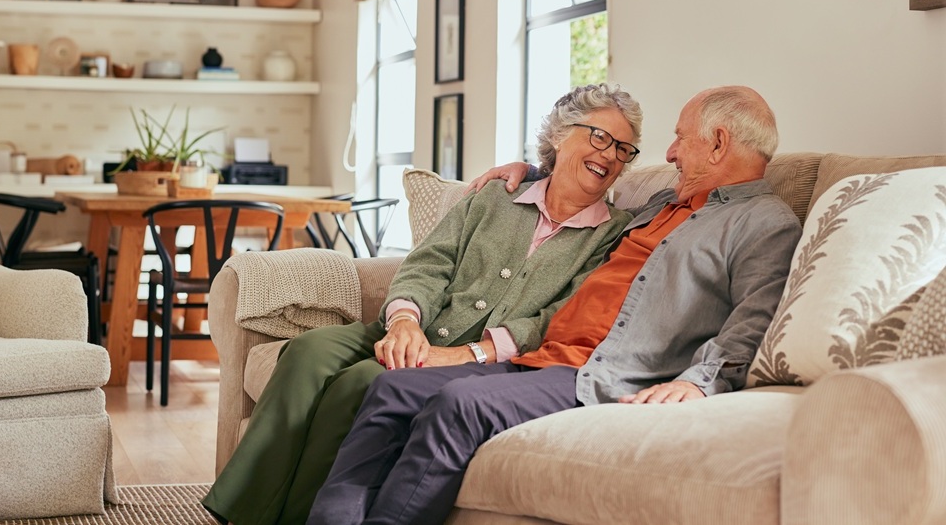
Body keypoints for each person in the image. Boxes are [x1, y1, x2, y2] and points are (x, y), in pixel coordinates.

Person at [307, 85, 804, 525]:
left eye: (681, 137)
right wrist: (530, 171)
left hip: (598, 371)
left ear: (717, 143)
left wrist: (698, 383)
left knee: (458, 404)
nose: (670, 153)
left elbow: (755, 320)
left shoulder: (763, 223)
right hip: (540, 355)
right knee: (393, 391)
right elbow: (573, 198)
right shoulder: (663, 204)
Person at [202, 84, 644, 525]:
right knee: (306, 351)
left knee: (358, 383)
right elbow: (430, 262)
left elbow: (560, 315)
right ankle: (238, 510)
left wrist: (466, 353)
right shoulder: (498, 196)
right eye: (598, 137)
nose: (609, 155)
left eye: (624, 149)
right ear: (560, 135)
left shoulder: (613, 234)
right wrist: (404, 320)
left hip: (470, 356)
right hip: (417, 323)